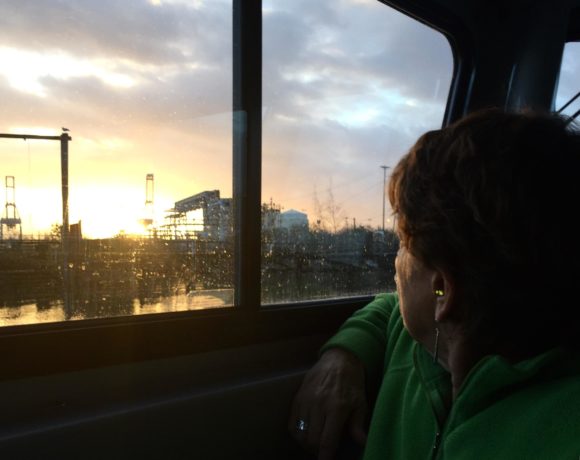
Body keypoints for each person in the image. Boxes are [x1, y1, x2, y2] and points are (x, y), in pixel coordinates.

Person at [288, 108, 580, 460]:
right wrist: (345, 354)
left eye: (404, 244)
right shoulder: (417, 341)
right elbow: (387, 308)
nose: (395, 264)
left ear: (441, 292)